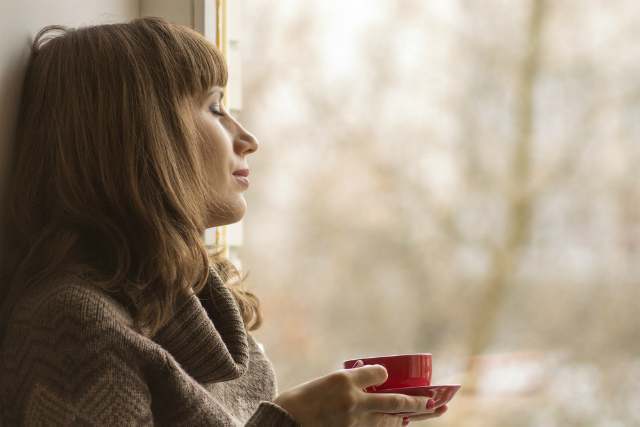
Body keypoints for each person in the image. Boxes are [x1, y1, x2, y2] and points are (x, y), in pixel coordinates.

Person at [0, 17, 447, 426]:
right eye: (215, 108)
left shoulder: (211, 319)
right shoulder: (71, 329)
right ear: (145, 135)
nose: (248, 139)